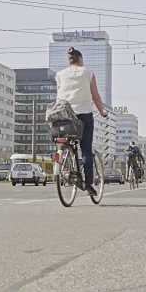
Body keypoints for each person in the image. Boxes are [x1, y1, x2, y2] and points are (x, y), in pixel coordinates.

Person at [56, 47, 108, 197]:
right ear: (80, 60)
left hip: (64, 115)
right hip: (83, 114)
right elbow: (96, 97)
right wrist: (102, 112)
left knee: (67, 140)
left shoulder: (60, 75)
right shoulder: (87, 73)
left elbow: (59, 96)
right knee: (86, 149)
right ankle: (89, 183)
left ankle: (66, 159)